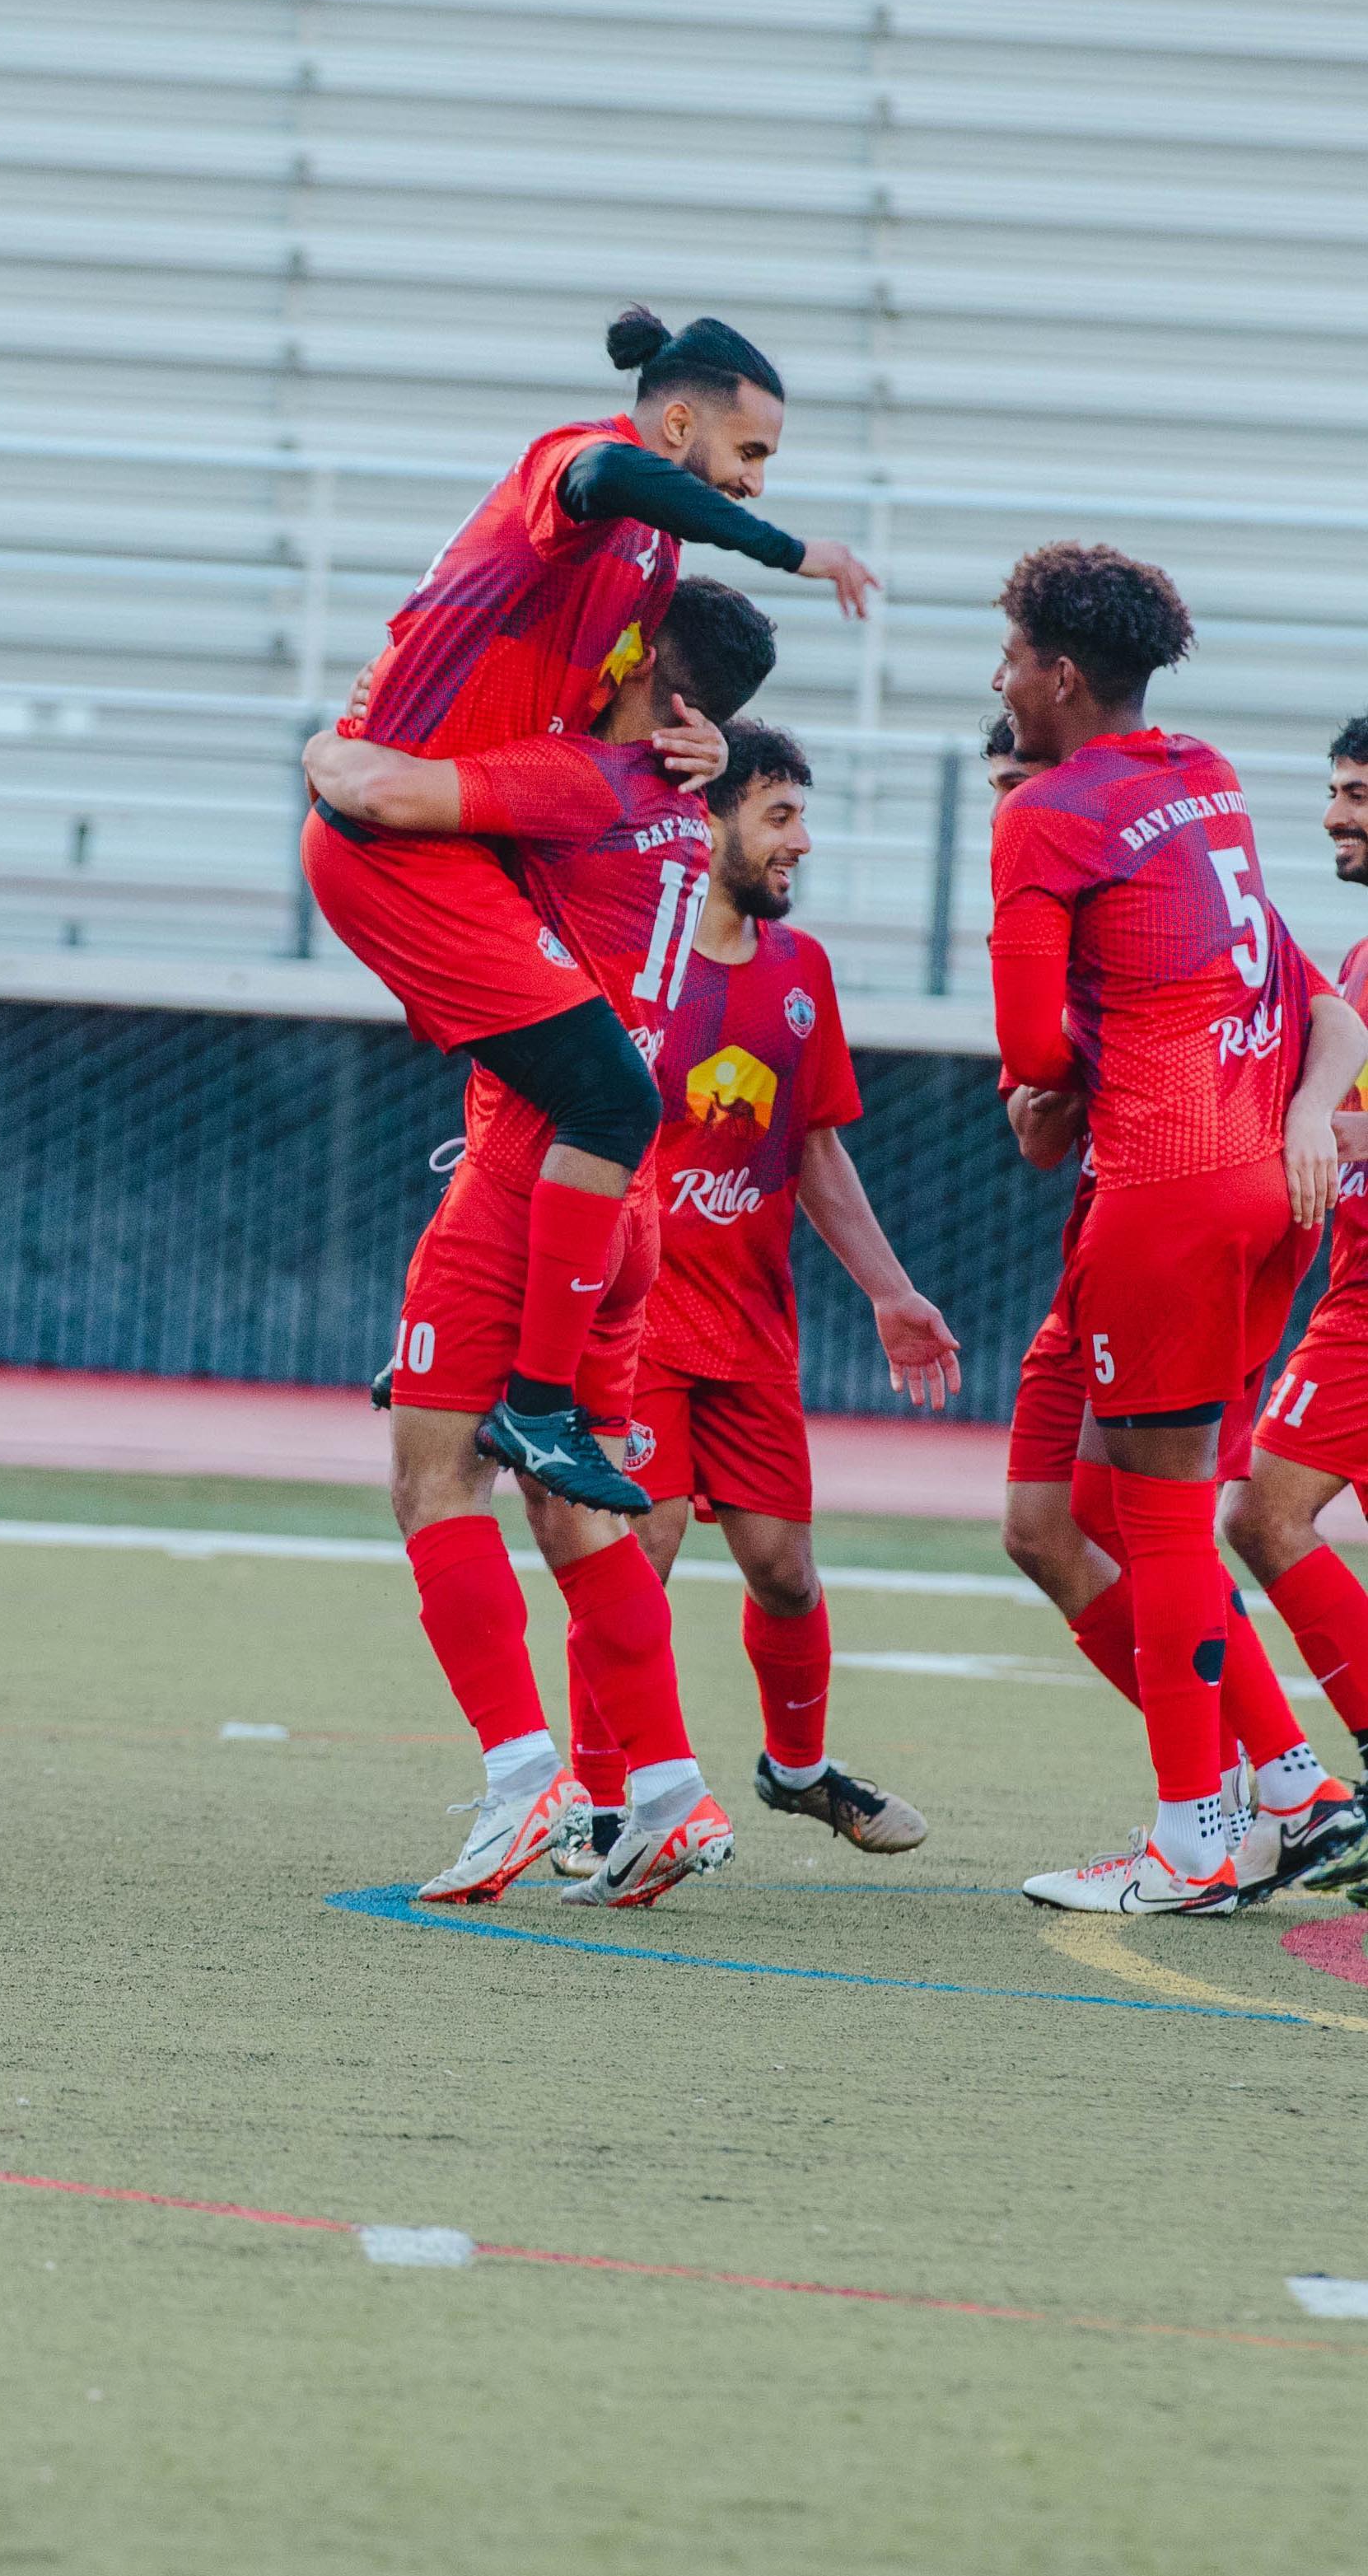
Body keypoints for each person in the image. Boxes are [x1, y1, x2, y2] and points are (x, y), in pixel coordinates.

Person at [301, 306, 878, 1515]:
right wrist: (784, 546)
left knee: (564, 1090)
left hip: (463, 827)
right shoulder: (579, 470)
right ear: (680, 420)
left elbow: (609, 683)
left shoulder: (649, 575)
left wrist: (704, 740)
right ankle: (539, 1402)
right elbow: (608, 470)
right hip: (399, 825)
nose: (754, 476)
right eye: (750, 452)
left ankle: (464, 1357)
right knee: (611, 1094)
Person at [303, 582, 783, 1910]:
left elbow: (378, 790)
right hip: (627, 1206)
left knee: (433, 1487)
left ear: (644, 663)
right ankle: (669, 1794)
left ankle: (526, 1787)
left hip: (523, 1181)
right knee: (574, 1515)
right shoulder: (683, 810)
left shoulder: (579, 779)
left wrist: (328, 734)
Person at [986, 549, 1364, 1916]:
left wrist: (1069, 1066)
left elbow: (1031, 1049)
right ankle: (1286, 1791)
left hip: (1165, 1191)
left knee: (1153, 1520)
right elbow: (1296, 988)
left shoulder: (1046, 818)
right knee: (1057, 1518)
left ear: (1063, 674)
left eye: (1013, 653)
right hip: (1245, 1189)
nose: (1001, 676)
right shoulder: (1200, 775)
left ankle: (1200, 1835)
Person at [583, 717, 958, 1865]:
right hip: (639, 1326)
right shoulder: (630, 962)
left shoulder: (804, 973)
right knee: (633, 1561)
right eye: (780, 815)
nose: (801, 841)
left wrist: (891, 1294)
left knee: (786, 1576)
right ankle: (608, 1808)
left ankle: (796, 1773)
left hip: (752, 1331)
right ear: (709, 821)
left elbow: (816, 1153)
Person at [1221, 717, 1368, 1810]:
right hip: (1351, 1287)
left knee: (1258, 1513)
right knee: (1259, 1514)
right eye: (1334, 792)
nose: (1334, 816)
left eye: (1358, 794)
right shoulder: (1359, 954)